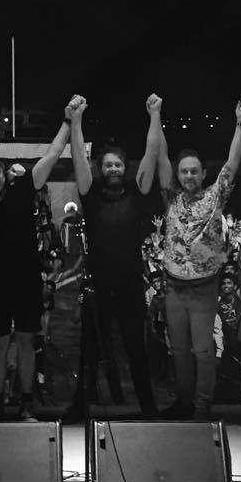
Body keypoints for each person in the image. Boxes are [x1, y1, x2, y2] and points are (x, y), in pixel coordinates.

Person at [0, 94, 78, 422]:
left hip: (27, 282)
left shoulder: (22, 191)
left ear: (5, 176)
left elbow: (52, 154)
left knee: (27, 342)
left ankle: (27, 402)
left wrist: (67, 120)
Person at [67, 93, 169, 419]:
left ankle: (148, 407)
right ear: (101, 168)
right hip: (98, 286)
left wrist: (155, 115)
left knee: (136, 349)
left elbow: (151, 154)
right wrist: (76, 120)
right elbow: (78, 157)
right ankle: (79, 407)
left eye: (118, 165)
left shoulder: (137, 195)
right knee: (89, 350)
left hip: (129, 287)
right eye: (108, 164)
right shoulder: (91, 194)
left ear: (125, 169)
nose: (113, 168)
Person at [161, 94, 241, 418]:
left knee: (202, 350)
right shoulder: (170, 197)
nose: (188, 176)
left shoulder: (215, 196)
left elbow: (232, 164)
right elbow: (159, 156)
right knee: (178, 350)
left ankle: (202, 406)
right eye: (183, 172)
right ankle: (184, 402)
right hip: (174, 286)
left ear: (203, 173)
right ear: (178, 174)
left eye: (194, 171)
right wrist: (155, 116)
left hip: (203, 288)